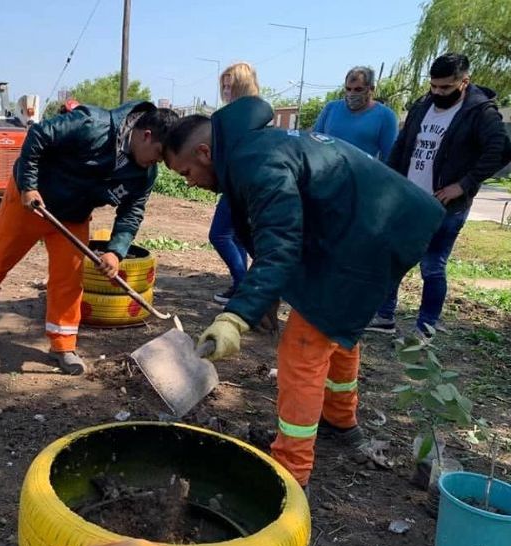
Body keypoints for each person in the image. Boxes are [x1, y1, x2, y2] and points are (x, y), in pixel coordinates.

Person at [162, 100, 444, 490]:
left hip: (373, 232)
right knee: (336, 327)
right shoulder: (258, 147)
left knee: (303, 346)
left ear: (205, 152)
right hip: (377, 224)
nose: (189, 181)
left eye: (186, 172)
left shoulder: (255, 161)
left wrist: (235, 316)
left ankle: (291, 472)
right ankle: (340, 420)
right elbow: (275, 231)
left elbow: (281, 246)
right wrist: (266, 298)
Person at [0, 101, 179, 375]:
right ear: (146, 135)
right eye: (159, 154)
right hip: (30, 202)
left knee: (69, 279)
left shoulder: (144, 174)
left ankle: (63, 345)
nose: (156, 163)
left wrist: (116, 251)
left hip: (72, 216)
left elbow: (132, 212)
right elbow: (38, 135)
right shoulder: (91, 123)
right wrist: (29, 186)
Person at [368, 53, 511, 338]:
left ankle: (426, 326)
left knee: (432, 266)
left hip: (446, 206)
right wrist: (389, 178)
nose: (437, 92)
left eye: (445, 88)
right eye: (433, 86)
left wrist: (465, 184)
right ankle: (384, 317)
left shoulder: (480, 111)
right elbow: (402, 144)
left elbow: (500, 149)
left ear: (464, 81)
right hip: (410, 199)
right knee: (393, 256)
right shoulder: (423, 105)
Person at [209, 62, 259, 304]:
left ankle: (243, 285)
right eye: (224, 86)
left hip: (240, 184)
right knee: (237, 235)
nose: (226, 91)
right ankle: (241, 285)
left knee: (219, 235)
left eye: (231, 86)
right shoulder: (257, 110)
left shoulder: (239, 116)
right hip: (243, 183)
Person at [313, 66, 398, 160]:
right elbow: (314, 142)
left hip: (361, 173)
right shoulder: (331, 108)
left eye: (358, 89)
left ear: (371, 89)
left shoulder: (386, 116)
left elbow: (390, 158)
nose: (351, 94)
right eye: (348, 89)